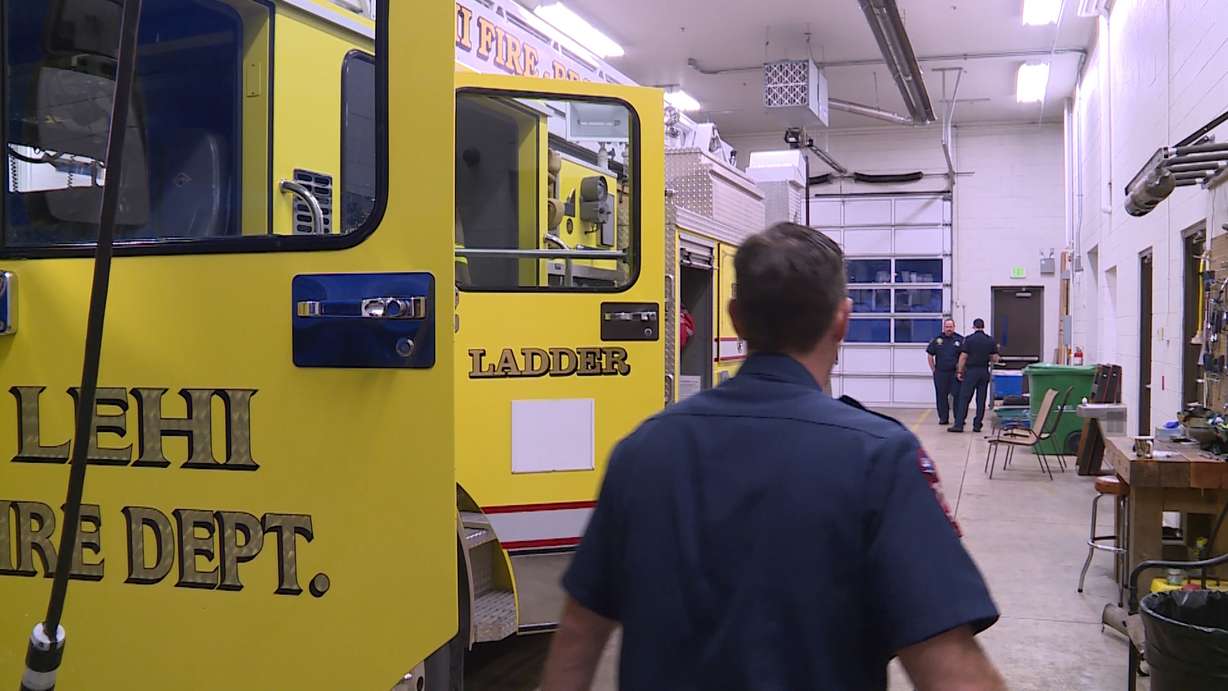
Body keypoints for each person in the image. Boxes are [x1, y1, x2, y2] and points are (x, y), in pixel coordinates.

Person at [541, 223, 1003, 691]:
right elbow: (951, 671)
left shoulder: (641, 452)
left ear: (736, 319)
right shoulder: (879, 459)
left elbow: (580, 632)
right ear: (842, 320)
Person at [949, 318, 1000, 434]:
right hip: (984, 371)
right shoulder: (990, 340)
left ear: (974, 327)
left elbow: (963, 357)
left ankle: (959, 424)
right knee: (981, 400)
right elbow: (995, 358)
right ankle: (977, 425)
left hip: (971, 372)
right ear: (983, 326)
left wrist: (959, 371)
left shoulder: (969, 340)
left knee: (964, 398)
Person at [926, 319, 963, 425]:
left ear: (954, 327)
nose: (949, 329)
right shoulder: (937, 340)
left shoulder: (959, 340)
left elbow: (964, 355)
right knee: (941, 396)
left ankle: (958, 418)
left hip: (955, 373)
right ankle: (943, 418)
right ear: (944, 327)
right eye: (947, 327)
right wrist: (933, 369)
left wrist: (961, 370)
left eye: (951, 327)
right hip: (941, 373)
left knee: (958, 396)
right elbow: (930, 355)